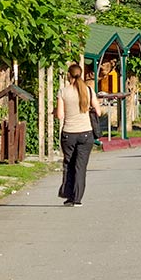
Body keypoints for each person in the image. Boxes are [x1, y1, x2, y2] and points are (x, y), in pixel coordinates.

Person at [54, 63, 95, 207]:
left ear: (68, 75)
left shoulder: (63, 92)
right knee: (80, 166)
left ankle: (69, 196)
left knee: (69, 164)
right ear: (81, 74)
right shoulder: (88, 90)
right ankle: (78, 198)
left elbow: (60, 115)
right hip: (86, 133)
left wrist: (55, 111)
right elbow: (99, 111)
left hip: (69, 134)